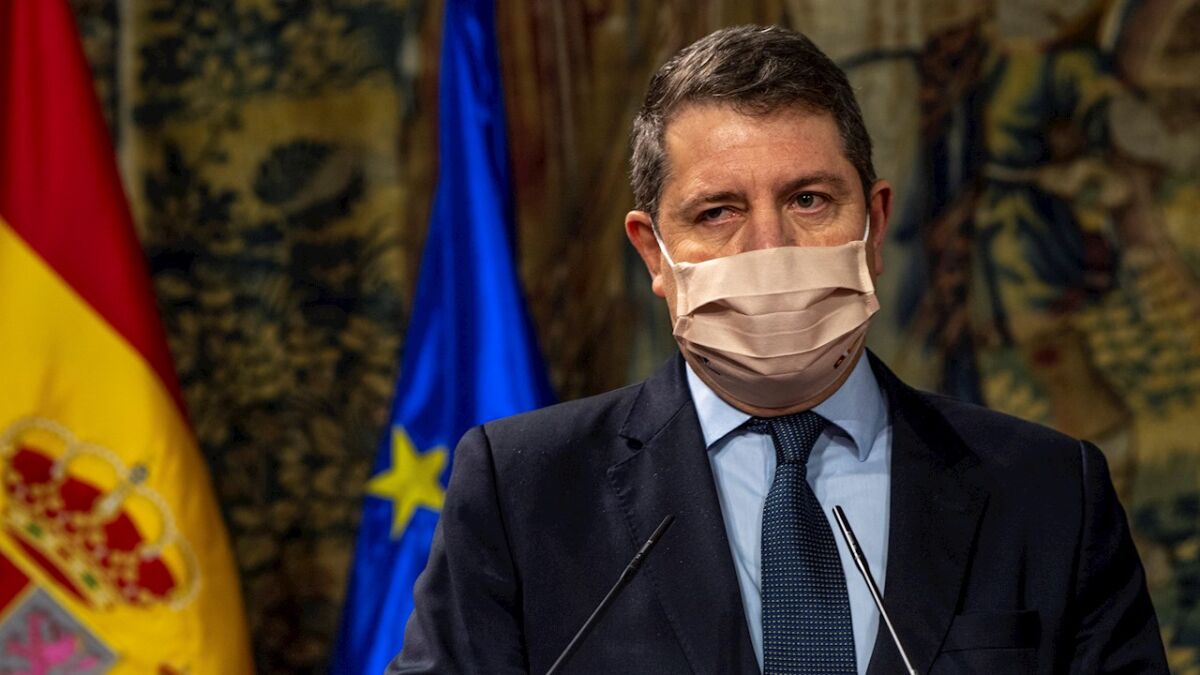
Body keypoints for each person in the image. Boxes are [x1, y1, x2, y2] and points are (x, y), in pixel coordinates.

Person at [389, 25, 1167, 674]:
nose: (769, 246)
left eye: (809, 200)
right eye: (718, 211)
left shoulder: (1050, 492)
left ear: (875, 225)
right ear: (654, 253)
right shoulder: (524, 492)